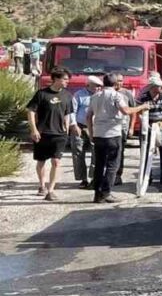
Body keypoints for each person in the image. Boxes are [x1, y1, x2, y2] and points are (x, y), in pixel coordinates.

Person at [85, 73, 150, 204]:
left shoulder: (95, 96)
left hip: (98, 134)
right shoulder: (116, 95)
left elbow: (88, 117)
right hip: (112, 134)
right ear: (115, 84)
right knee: (112, 165)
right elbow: (126, 111)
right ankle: (106, 192)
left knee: (99, 165)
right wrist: (142, 107)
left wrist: (91, 134)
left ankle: (97, 194)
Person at [25, 66, 79, 201]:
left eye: (68, 79)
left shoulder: (67, 95)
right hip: (42, 133)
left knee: (56, 162)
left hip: (59, 135)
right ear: (55, 79)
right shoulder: (41, 94)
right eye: (65, 79)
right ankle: (42, 185)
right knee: (41, 162)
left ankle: (51, 190)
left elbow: (68, 114)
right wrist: (33, 129)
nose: (67, 82)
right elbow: (31, 111)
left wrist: (67, 129)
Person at [138, 73, 162, 187]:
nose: (161, 88)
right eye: (158, 86)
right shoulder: (143, 96)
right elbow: (138, 112)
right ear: (152, 87)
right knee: (145, 151)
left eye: (161, 86)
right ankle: (146, 177)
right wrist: (145, 125)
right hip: (147, 123)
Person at [70, 75, 102, 189]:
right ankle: (83, 179)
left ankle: (94, 178)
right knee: (78, 153)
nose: (98, 88)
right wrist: (74, 125)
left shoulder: (101, 96)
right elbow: (72, 111)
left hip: (96, 128)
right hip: (80, 126)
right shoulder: (79, 95)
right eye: (96, 86)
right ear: (88, 85)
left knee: (96, 153)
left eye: (100, 86)